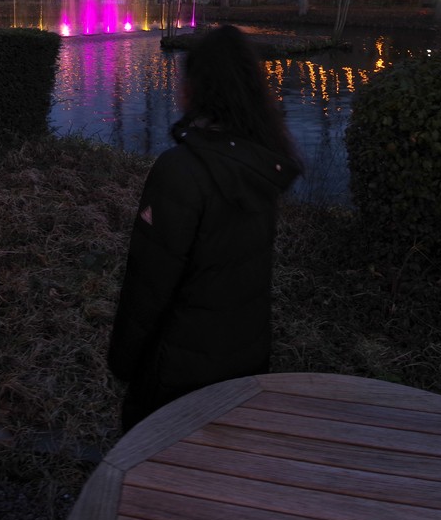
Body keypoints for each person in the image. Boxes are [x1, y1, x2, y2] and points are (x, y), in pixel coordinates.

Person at [107, 25, 303, 433]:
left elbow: (148, 284)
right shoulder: (261, 166)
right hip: (245, 361)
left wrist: (123, 362)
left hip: (178, 374)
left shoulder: (181, 172)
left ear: (199, 89)